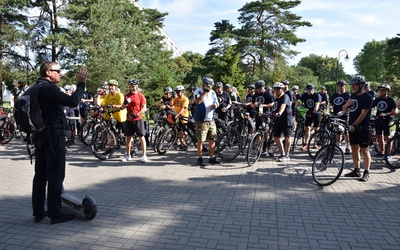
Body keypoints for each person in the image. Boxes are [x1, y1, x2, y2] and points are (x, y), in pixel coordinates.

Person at [32, 62, 88, 224]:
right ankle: (55, 214)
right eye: (58, 71)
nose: (61, 74)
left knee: (40, 175)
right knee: (56, 175)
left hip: (40, 137)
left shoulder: (36, 87)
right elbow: (73, 101)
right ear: (48, 72)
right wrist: (81, 83)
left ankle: (38, 212)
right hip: (53, 137)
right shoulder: (49, 88)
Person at [343, 75, 373, 182]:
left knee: (364, 149)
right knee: (354, 148)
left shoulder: (368, 97)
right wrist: (347, 104)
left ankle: (366, 172)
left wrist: (354, 125)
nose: (353, 87)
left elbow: (363, 113)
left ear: (361, 85)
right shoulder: (352, 96)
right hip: (352, 127)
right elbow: (344, 109)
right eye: (352, 85)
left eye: (355, 85)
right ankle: (356, 170)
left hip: (362, 127)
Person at [194, 76, 220, 166]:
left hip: (211, 120)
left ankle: (212, 157)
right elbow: (198, 101)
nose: (209, 87)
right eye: (206, 85)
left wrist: (215, 105)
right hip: (201, 120)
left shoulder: (213, 92)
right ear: (203, 84)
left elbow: (217, 102)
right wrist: (205, 92)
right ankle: (200, 158)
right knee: (200, 140)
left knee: (213, 139)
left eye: (210, 85)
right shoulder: (198, 92)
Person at [120, 79, 147, 163]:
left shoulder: (141, 96)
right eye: (131, 86)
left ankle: (144, 155)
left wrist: (137, 114)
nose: (132, 88)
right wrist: (124, 103)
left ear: (137, 86)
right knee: (128, 138)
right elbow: (123, 107)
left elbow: (144, 108)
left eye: (134, 86)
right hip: (129, 119)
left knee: (141, 137)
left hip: (138, 119)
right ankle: (128, 155)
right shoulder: (127, 96)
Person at [372, 83, 398, 158]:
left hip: (387, 120)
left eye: (383, 90)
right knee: (379, 136)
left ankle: (388, 153)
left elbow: (395, 111)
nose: (381, 91)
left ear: (387, 91)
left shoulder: (391, 100)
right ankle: (382, 151)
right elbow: (370, 106)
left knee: (387, 137)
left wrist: (387, 114)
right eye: (380, 90)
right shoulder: (377, 99)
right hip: (378, 120)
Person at [101, 79, 127, 153]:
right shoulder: (108, 95)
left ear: (115, 87)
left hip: (122, 117)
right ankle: (110, 148)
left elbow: (122, 105)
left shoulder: (119, 95)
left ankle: (131, 149)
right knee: (111, 132)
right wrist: (103, 108)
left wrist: (113, 105)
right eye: (109, 86)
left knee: (127, 134)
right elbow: (103, 104)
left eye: (112, 86)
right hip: (113, 116)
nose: (110, 87)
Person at [271, 82, 293, 162]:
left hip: (286, 120)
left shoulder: (285, 96)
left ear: (282, 89)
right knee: (276, 137)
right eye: (275, 88)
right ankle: (282, 153)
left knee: (287, 137)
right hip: (278, 120)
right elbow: (273, 108)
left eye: (278, 88)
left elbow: (283, 106)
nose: (276, 90)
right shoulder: (275, 98)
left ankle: (287, 155)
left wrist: (279, 113)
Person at [296, 84, 321, 150]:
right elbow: (299, 101)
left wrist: (314, 111)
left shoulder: (317, 95)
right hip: (308, 112)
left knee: (316, 128)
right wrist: (295, 107)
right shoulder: (304, 95)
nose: (308, 91)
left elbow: (317, 105)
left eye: (309, 90)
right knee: (307, 127)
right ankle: (306, 143)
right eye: (307, 90)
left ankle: (315, 143)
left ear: (313, 89)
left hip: (316, 113)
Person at [330, 80, 351, 155]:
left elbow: (350, 106)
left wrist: (344, 111)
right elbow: (331, 104)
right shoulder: (334, 95)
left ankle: (347, 147)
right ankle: (337, 145)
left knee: (345, 131)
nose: (339, 87)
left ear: (345, 86)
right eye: (338, 86)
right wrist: (331, 108)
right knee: (337, 131)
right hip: (336, 114)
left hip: (345, 115)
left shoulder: (347, 95)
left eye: (341, 86)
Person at [171, 85, 190, 151]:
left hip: (183, 116)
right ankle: (182, 144)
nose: (177, 93)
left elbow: (183, 108)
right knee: (179, 131)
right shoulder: (176, 98)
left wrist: (178, 114)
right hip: (177, 116)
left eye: (178, 92)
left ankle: (186, 144)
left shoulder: (185, 99)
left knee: (185, 132)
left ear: (182, 91)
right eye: (176, 92)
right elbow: (172, 105)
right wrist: (172, 98)